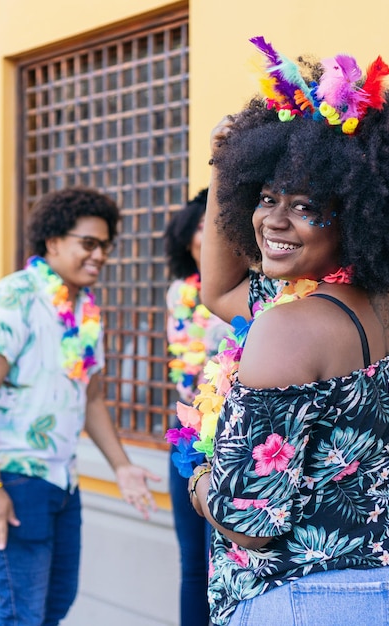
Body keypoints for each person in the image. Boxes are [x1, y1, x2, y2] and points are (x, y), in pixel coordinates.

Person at [187, 36, 389, 626]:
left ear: (356, 211)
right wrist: (226, 171)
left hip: (301, 600)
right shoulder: (379, 304)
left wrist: (201, 480)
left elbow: (249, 524)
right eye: (265, 197)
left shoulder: (288, 329)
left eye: (305, 206)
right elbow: (219, 292)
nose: (273, 221)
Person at [0, 187, 160, 626]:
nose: (99, 255)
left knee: (55, 605)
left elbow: (92, 397)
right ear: (53, 241)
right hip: (16, 480)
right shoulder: (14, 298)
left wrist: (120, 466)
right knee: (23, 614)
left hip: (64, 481)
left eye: (105, 246)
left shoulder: (86, 312)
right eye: (89, 243)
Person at [164, 189, 230, 626]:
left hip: (231, 433)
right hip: (189, 429)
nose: (206, 239)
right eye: (199, 231)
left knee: (219, 557)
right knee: (192, 562)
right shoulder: (179, 294)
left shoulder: (247, 295)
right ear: (187, 240)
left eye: (217, 230)